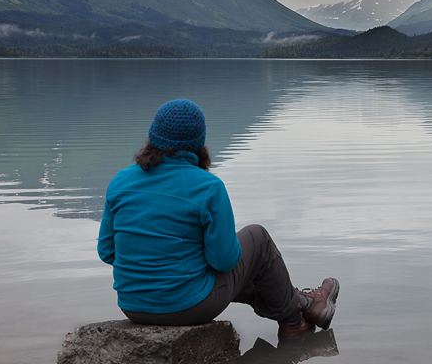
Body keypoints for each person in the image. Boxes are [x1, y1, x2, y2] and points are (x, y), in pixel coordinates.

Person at [97, 99, 338, 338]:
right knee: (258, 238)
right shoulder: (208, 187)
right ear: (199, 144)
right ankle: (294, 320)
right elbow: (224, 262)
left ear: (153, 136)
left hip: (132, 306)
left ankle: (306, 305)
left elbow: (107, 252)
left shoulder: (120, 181)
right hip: (188, 307)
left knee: (223, 270)